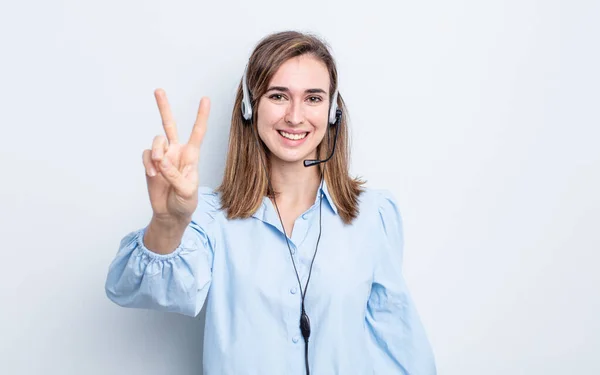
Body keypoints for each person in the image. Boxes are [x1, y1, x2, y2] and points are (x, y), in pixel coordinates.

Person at [105, 30, 436, 375]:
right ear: (250, 107)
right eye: (279, 96)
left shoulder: (372, 214)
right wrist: (169, 223)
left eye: (313, 98)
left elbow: (397, 339)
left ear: (333, 110)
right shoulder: (208, 216)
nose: (295, 117)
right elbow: (138, 291)